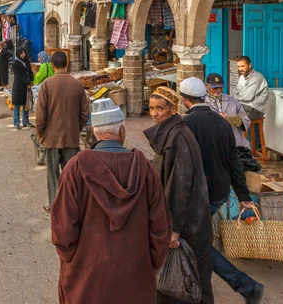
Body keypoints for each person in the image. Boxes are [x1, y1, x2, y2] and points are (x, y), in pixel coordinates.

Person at [51, 98, 171, 304]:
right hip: (136, 277)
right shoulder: (146, 170)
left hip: (86, 279)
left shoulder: (75, 168)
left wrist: (74, 261)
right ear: (122, 132)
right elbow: (161, 228)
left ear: (94, 132)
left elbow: (62, 230)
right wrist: (147, 263)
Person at [180, 77, 264, 304]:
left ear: (184, 100)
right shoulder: (221, 123)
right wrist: (243, 195)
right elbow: (234, 161)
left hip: (198, 194)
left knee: (196, 242)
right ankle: (245, 287)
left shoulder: (185, 125)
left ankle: (245, 286)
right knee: (198, 241)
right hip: (219, 191)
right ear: (204, 94)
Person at [143, 86, 214, 304]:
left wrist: (173, 229)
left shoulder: (179, 137)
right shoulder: (172, 133)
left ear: (173, 109)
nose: (154, 113)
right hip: (189, 220)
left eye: (160, 109)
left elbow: (179, 186)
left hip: (189, 222)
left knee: (189, 278)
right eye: (151, 108)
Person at [36, 52, 90, 213]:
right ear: (67, 64)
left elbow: (40, 115)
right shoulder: (77, 84)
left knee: (53, 176)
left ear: (52, 66)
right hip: (71, 137)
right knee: (72, 174)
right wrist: (76, 128)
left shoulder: (47, 85)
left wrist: (41, 133)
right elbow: (84, 113)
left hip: (51, 139)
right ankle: (72, 205)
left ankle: (54, 205)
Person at [205, 73, 251, 149]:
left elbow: (246, 120)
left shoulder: (231, 100)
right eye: (215, 88)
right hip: (213, 143)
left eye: (221, 87)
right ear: (207, 86)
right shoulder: (202, 102)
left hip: (234, 142)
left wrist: (231, 119)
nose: (219, 90)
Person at [233, 56, 269, 121]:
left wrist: (236, 98)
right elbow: (236, 92)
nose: (240, 69)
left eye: (242, 66)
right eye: (238, 66)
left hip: (254, 110)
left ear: (250, 65)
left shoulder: (257, 77)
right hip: (243, 106)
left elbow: (246, 97)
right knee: (223, 114)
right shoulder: (242, 77)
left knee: (232, 119)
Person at [12, 48, 34, 129]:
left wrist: (30, 80)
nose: (23, 54)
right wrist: (26, 81)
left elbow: (30, 72)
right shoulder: (15, 63)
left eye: (24, 53)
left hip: (26, 87)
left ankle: (26, 122)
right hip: (18, 86)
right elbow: (18, 76)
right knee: (17, 105)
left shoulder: (27, 62)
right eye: (22, 53)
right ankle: (16, 123)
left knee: (26, 105)